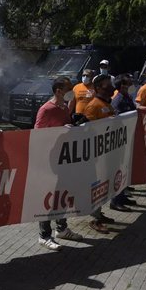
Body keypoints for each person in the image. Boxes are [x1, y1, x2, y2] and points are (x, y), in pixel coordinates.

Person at [35, 77, 83, 251]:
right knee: (48, 198)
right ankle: (44, 236)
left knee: (63, 195)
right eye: (68, 88)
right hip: (49, 160)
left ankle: (61, 229)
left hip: (64, 158)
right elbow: (38, 135)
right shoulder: (46, 109)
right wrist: (61, 131)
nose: (71, 91)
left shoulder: (64, 107)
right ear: (58, 91)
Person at [83, 74, 117, 233]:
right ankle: (95, 219)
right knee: (96, 186)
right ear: (97, 88)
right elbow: (88, 130)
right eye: (106, 85)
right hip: (97, 155)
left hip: (107, 153)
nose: (110, 87)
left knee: (104, 185)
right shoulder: (93, 106)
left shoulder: (107, 104)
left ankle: (99, 213)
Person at [109, 74, 138, 212]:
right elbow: (116, 120)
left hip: (128, 138)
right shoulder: (118, 100)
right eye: (127, 84)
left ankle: (122, 196)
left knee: (126, 168)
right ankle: (115, 201)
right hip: (120, 141)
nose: (130, 86)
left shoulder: (127, 98)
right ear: (122, 86)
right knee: (119, 170)